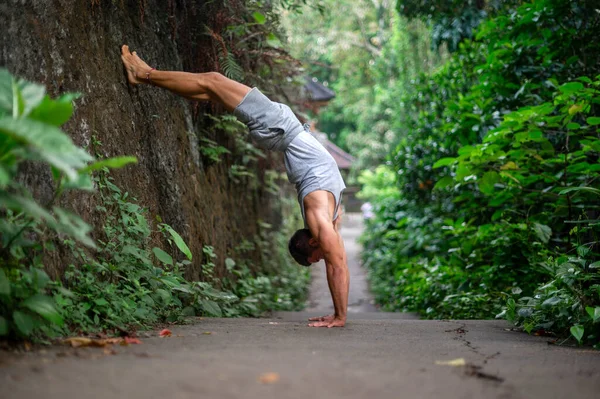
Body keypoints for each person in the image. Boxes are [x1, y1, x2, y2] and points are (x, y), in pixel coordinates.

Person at [120, 45, 349, 327]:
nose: (325, 253)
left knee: (214, 80)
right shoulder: (325, 217)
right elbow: (337, 263)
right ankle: (143, 75)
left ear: (314, 240)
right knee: (210, 89)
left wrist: (339, 316)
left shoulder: (318, 215)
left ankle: (144, 74)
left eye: (318, 255)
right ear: (315, 242)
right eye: (318, 256)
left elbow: (336, 263)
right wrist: (340, 315)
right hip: (281, 127)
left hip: (280, 128)